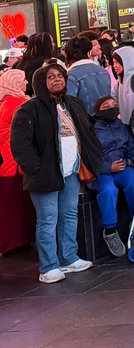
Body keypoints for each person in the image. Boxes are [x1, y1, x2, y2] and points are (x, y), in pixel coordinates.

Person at [8, 64, 102, 283]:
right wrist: (36, 168)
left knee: (69, 214)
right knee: (48, 219)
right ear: (41, 81)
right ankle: (49, 266)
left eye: (60, 76)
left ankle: (68, 258)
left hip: (70, 171)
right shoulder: (29, 108)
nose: (57, 79)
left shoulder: (73, 103)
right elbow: (20, 143)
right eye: (51, 77)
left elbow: (87, 131)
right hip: (44, 174)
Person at [91, 94, 134, 256]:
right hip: (102, 171)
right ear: (98, 111)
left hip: (121, 167)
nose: (112, 108)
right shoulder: (91, 130)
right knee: (108, 190)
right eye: (106, 106)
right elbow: (88, 158)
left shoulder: (123, 127)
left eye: (114, 105)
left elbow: (133, 150)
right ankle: (110, 231)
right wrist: (107, 167)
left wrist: (128, 162)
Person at [0, 68, 36, 254]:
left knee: (7, 205)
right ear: (14, 83)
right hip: (15, 163)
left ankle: (11, 242)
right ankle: (16, 241)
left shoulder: (4, 102)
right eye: (22, 80)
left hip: (5, 163)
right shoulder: (18, 103)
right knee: (17, 205)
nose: (26, 83)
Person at [64, 35, 111, 117]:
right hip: (106, 120)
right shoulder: (103, 71)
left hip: (85, 123)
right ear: (89, 52)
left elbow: (70, 106)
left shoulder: (71, 75)